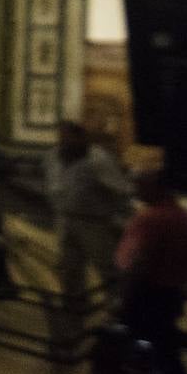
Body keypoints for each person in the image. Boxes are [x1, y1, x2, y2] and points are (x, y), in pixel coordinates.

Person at [114, 169, 187, 374]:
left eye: (140, 184)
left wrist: (123, 299)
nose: (136, 190)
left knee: (136, 358)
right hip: (169, 296)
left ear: (157, 187)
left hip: (146, 297)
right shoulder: (183, 217)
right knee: (168, 357)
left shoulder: (151, 219)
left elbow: (138, 263)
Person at [46, 121, 133, 346]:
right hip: (66, 220)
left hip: (94, 223)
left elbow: (121, 191)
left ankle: (118, 312)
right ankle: (75, 311)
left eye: (67, 137)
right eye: (61, 137)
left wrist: (120, 220)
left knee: (106, 267)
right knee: (70, 269)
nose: (62, 141)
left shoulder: (98, 160)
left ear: (80, 138)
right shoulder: (54, 156)